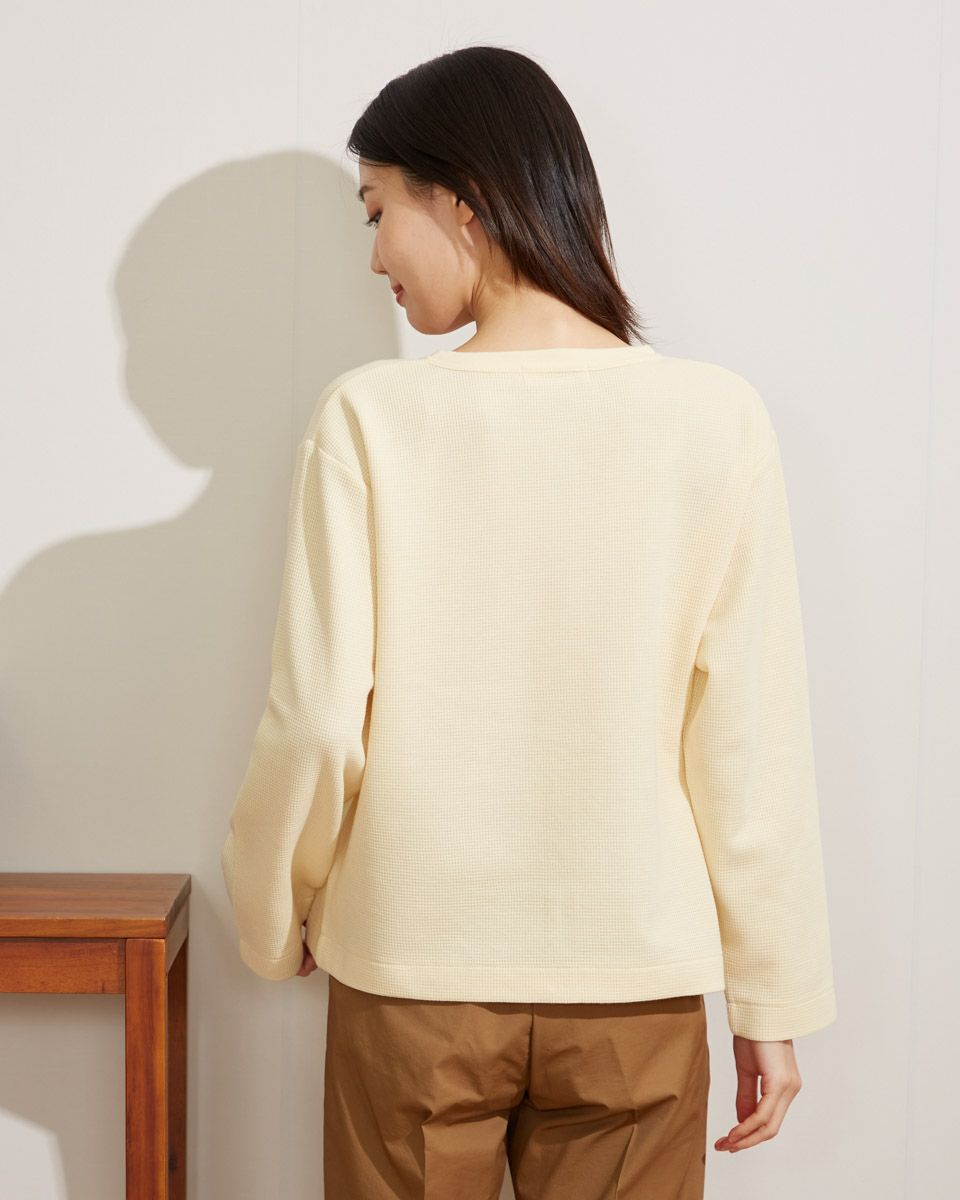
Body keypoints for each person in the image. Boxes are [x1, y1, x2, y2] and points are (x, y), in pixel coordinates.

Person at [220, 44, 837, 1199]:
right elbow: (749, 746)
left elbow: (316, 723)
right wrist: (770, 1000)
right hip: (636, 985)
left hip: (414, 975)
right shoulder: (716, 421)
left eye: (378, 211)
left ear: (466, 199)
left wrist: (272, 913)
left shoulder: (370, 421)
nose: (372, 256)